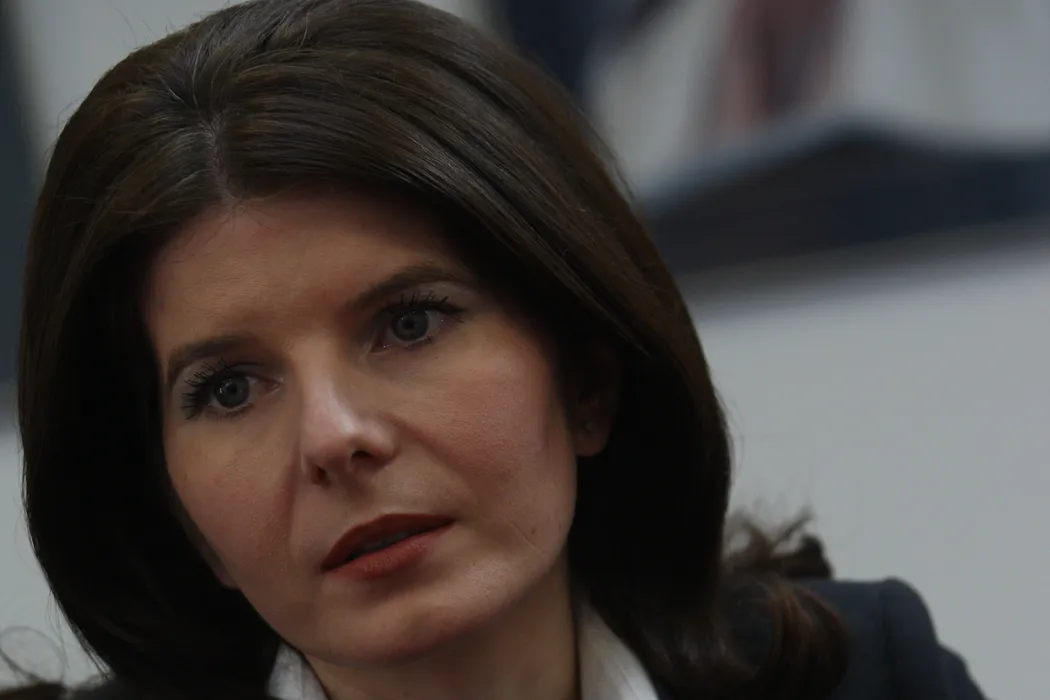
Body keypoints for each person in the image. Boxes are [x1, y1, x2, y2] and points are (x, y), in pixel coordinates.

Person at [11, 1, 987, 699]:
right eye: (228, 388)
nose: (333, 436)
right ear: (180, 518)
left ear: (588, 381)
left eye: (409, 323)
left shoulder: (862, 672)